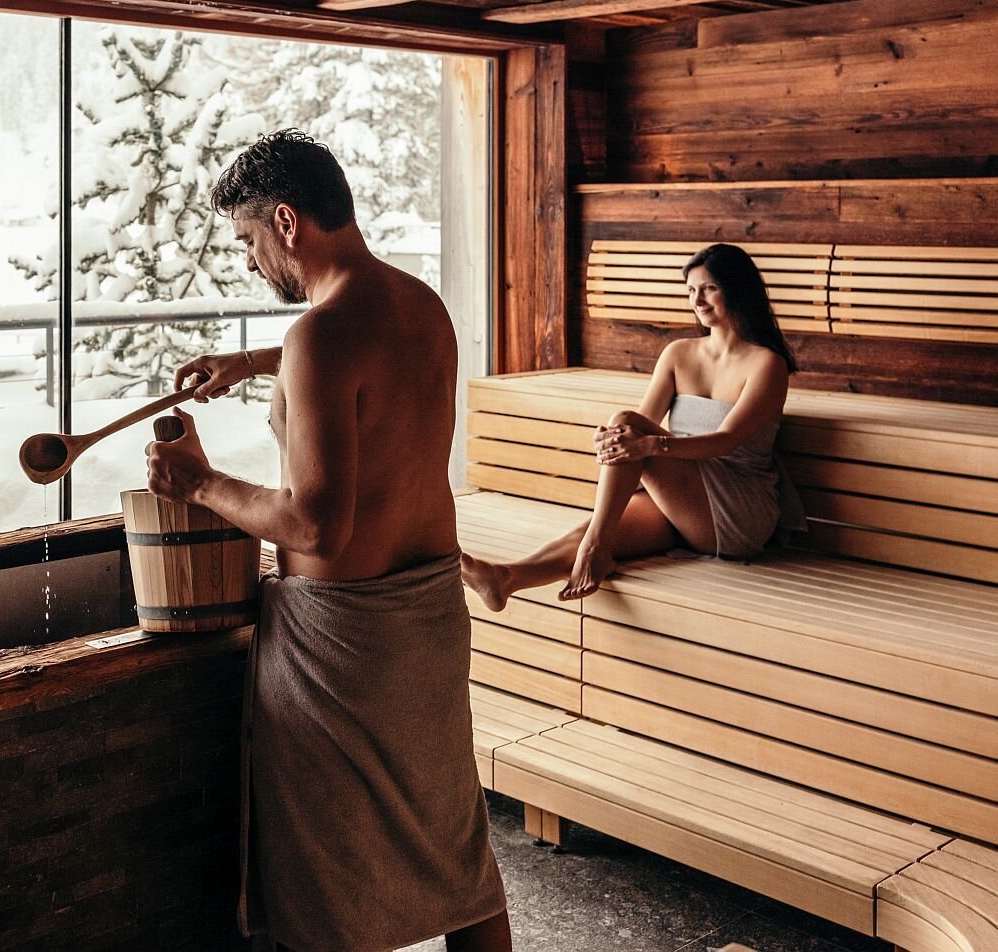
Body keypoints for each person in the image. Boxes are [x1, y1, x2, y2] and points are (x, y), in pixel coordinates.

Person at [146, 129, 511, 952]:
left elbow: (314, 522)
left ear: (285, 221)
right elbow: (358, 349)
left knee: (332, 872)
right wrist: (253, 360)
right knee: (453, 849)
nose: (247, 262)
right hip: (428, 616)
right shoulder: (417, 302)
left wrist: (199, 483)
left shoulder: (319, 338)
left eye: (246, 241)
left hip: (345, 644)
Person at [462, 243, 806, 612]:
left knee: (623, 434)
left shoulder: (767, 365)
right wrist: (613, 440)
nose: (698, 301)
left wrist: (645, 445)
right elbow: (645, 421)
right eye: (691, 290)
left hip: (735, 507)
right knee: (598, 520)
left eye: (709, 288)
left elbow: (725, 441)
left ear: (737, 289)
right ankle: (505, 578)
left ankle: (596, 547)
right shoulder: (679, 354)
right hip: (684, 495)